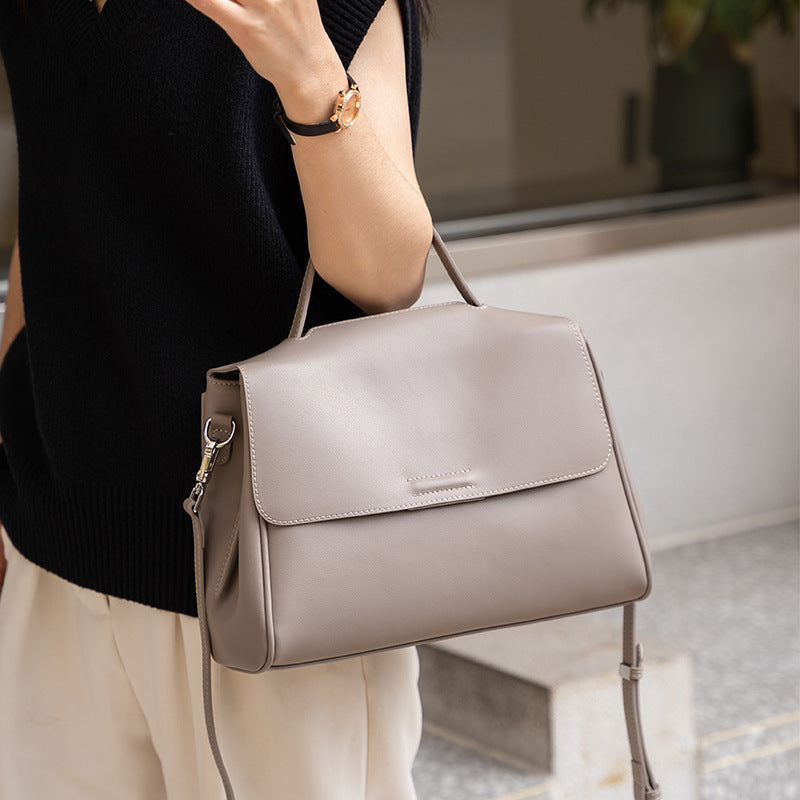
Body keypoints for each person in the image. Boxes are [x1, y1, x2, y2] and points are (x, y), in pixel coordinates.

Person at [0, 0, 435, 796]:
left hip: (273, 583)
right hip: (56, 548)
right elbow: (53, 208)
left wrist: (307, 71)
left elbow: (387, 276)